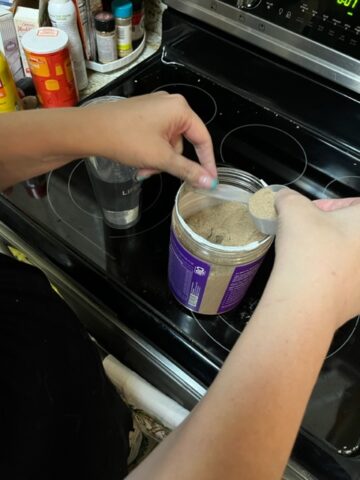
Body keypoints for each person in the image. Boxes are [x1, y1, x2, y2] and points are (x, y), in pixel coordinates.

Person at [1, 92, 359, 480]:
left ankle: (121, 442)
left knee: (103, 439)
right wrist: (317, 292)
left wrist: (88, 128)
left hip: (72, 406)